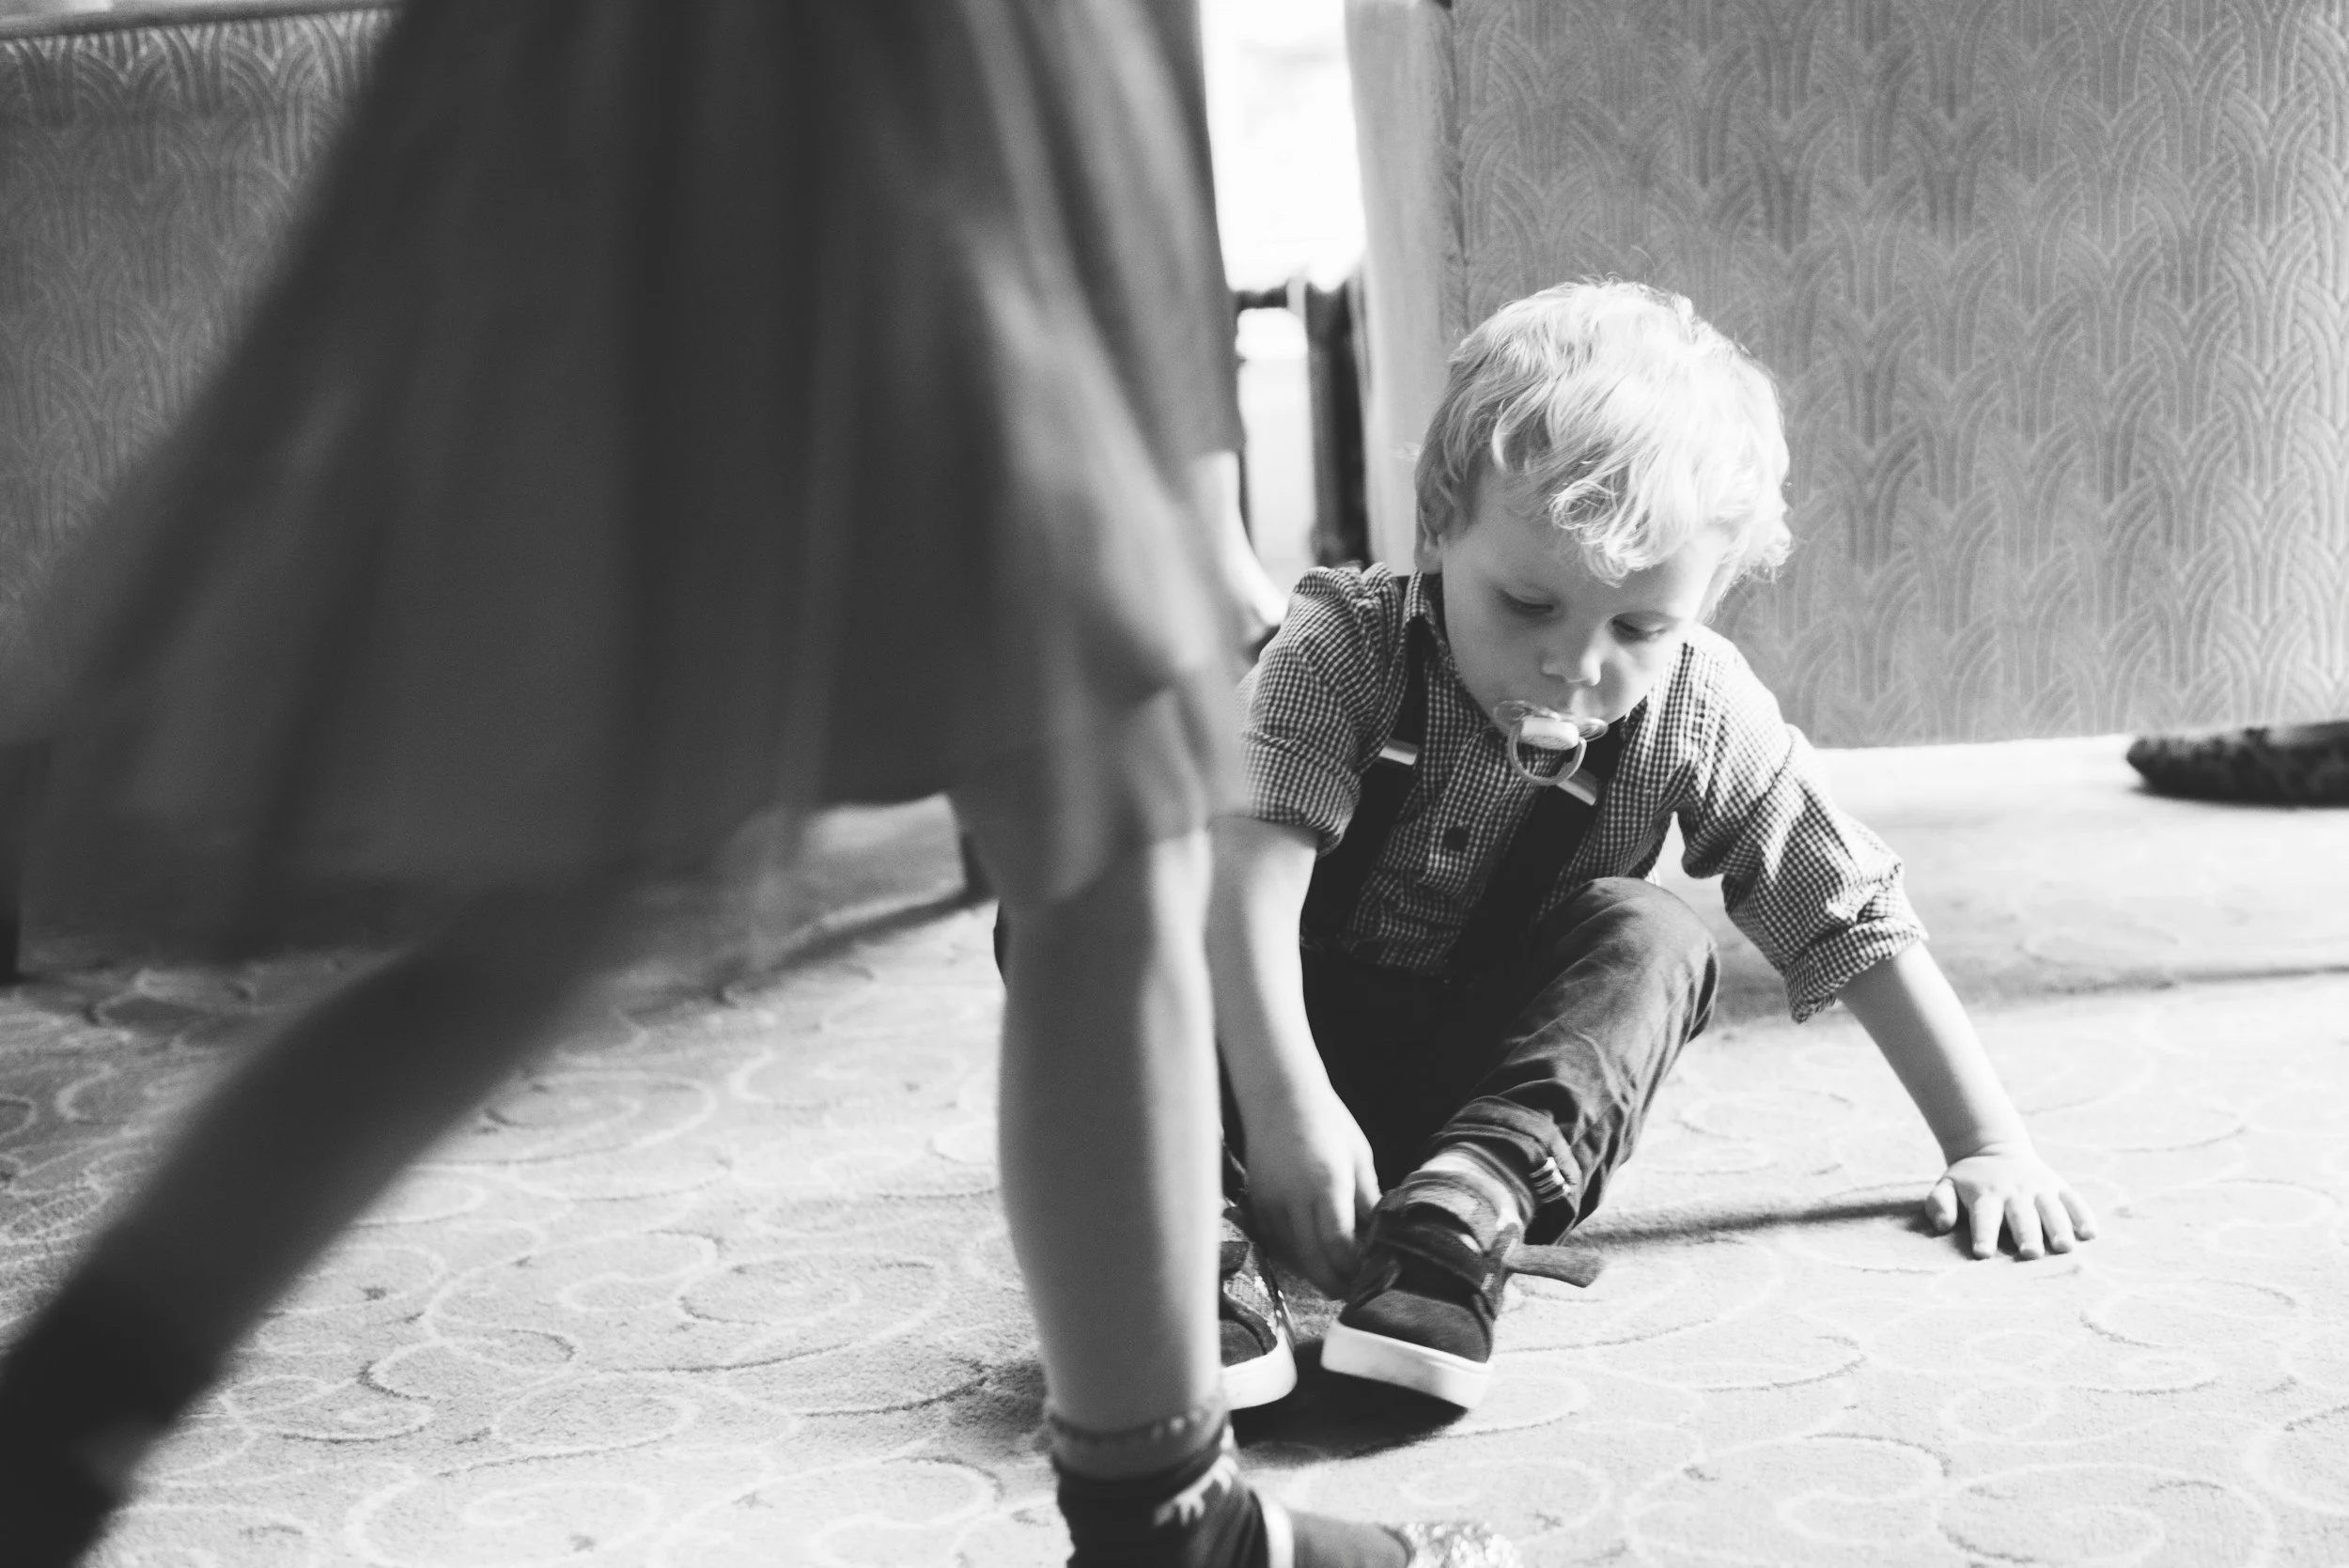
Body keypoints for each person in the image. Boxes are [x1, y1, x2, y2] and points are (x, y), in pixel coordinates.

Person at [0, 4, 1509, 1564]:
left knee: (591, 894)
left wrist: (1182, 462)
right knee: (1054, 817)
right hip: (854, 87)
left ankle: (46, 1438)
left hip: (763, 84)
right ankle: (1170, 1520)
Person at [1209, 280, 2101, 1413]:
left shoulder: (1696, 706)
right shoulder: (1340, 643)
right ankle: (1185, 1227)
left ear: (1707, 598)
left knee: (1655, 933)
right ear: (1437, 523)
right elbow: (1243, 885)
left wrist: (1986, 1142)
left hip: (1473, 1090)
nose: (1576, 665)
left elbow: (1848, 907)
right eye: (1526, 603)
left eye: (1638, 626)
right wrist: (1284, 1107)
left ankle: (1461, 1213)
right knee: (1095, 914)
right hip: (1249, 1054)